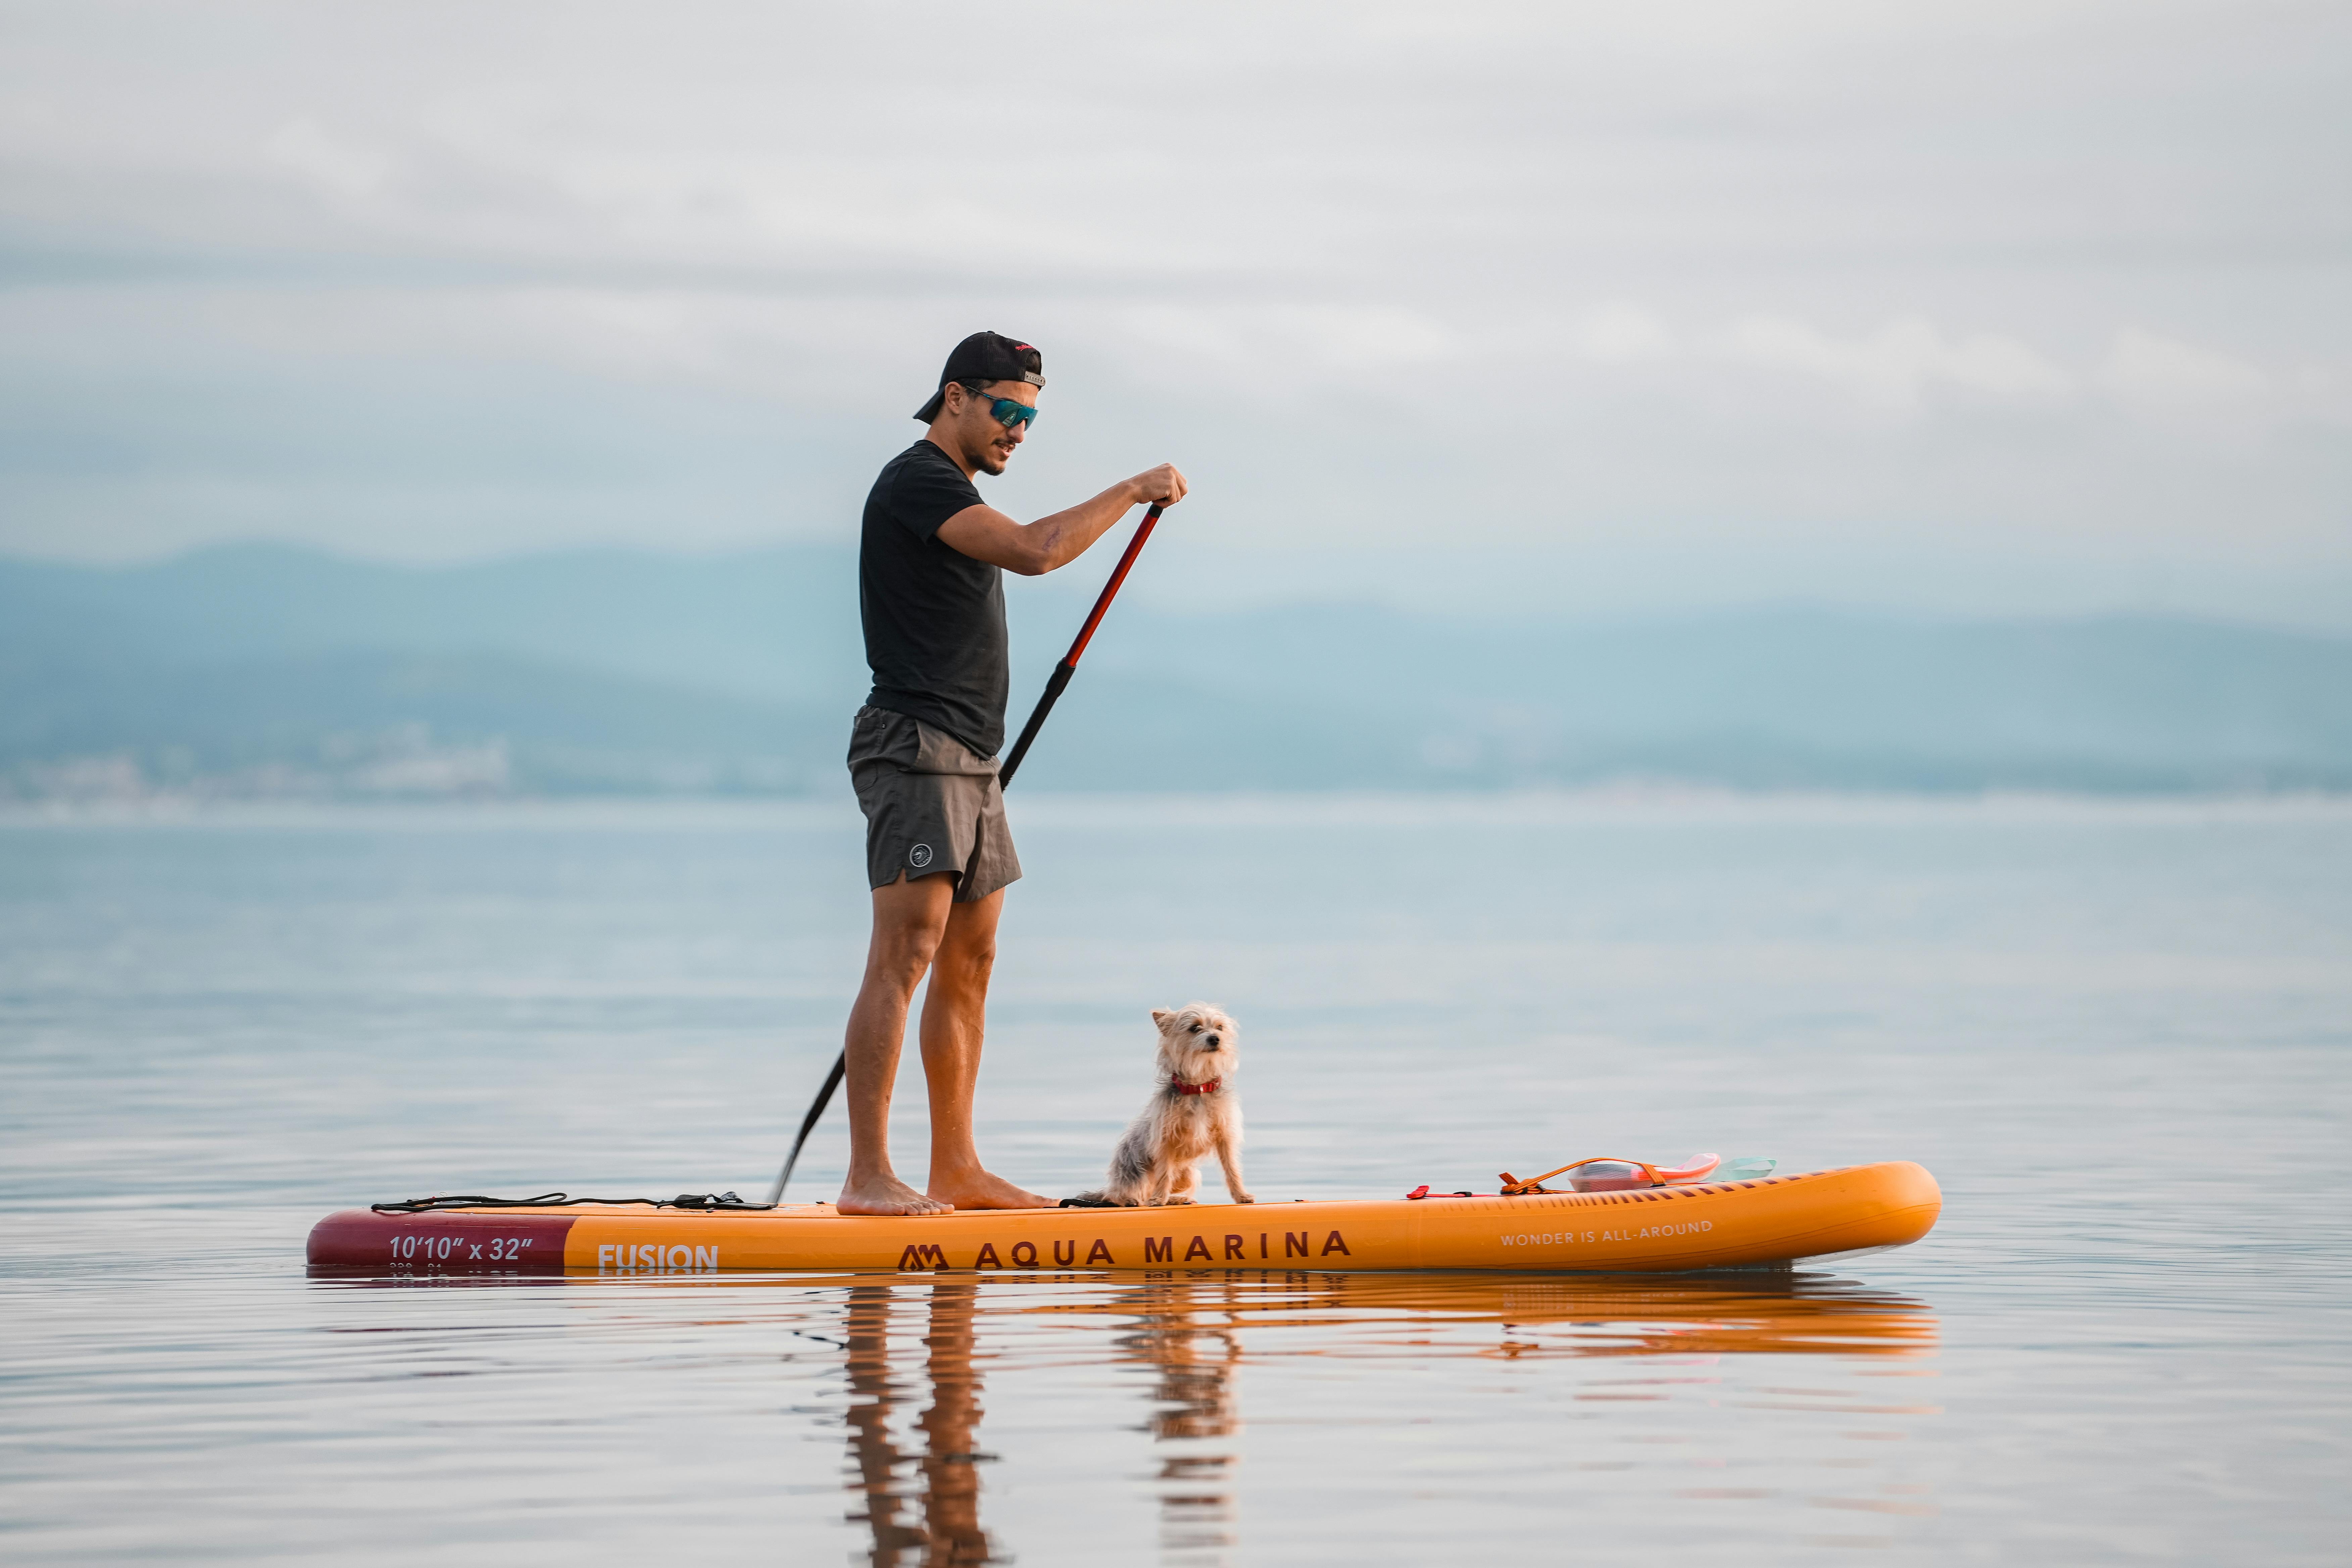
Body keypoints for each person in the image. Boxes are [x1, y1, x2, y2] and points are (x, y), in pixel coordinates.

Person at [839, 331, 1187, 1216]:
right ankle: (869, 1178)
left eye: (1031, 419)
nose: (1019, 432)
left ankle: (957, 1169)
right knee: (906, 953)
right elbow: (1036, 551)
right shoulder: (918, 479)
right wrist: (1131, 488)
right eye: (1007, 411)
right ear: (955, 398)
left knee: (973, 960)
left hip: (974, 760)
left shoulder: (953, 489)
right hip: (917, 747)